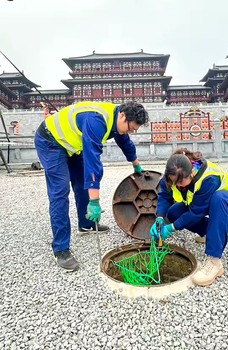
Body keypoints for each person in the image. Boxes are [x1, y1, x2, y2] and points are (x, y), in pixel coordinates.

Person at [35, 101, 149, 272]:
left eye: (133, 130)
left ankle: (86, 224)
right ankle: (60, 249)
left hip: (73, 145)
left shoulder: (117, 119)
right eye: (130, 128)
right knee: (60, 192)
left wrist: (136, 165)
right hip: (51, 142)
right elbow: (92, 162)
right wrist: (94, 201)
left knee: (81, 183)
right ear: (123, 116)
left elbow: (125, 142)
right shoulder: (97, 120)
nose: (129, 132)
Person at [150, 148, 228, 286]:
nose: (178, 185)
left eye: (181, 182)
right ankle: (209, 233)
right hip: (200, 202)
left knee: (218, 200)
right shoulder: (171, 175)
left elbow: (195, 212)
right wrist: (159, 218)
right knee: (174, 213)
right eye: (175, 182)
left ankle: (214, 261)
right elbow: (164, 195)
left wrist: (171, 228)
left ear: (192, 173)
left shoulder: (208, 178)